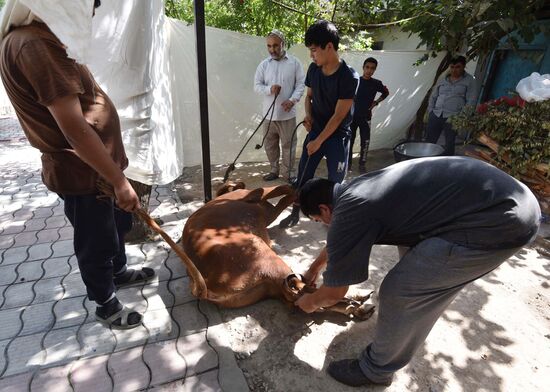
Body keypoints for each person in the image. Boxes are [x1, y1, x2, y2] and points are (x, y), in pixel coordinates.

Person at [295, 156, 540, 387]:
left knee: (399, 292)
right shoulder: (356, 190)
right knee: (413, 262)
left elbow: (334, 293)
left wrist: (309, 303)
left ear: (325, 209)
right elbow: (340, 243)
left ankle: (376, 370)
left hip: (502, 221)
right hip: (509, 198)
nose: (324, 225)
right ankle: (407, 325)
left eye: (319, 220)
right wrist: (313, 269)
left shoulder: (349, 213)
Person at [0, 0, 155, 329]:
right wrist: (118, 181)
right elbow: (74, 129)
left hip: (97, 171)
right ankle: (106, 303)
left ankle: (119, 273)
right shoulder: (35, 45)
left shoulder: (37, 38)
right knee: (96, 240)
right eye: (90, 3)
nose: (94, 10)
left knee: (115, 228)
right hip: (88, 174)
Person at [279, 20, 359, 228]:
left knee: (336, 183)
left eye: (314, 50)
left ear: (329, 47)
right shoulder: (314, 70)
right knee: (303, 177)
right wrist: (308, 115)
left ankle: (335, 223)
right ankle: (296, 213)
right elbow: (309, 97)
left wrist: (319, 141)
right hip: (316, 131)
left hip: (337, 137)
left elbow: (338, 116)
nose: (311, 55)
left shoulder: (349, 77)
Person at [254, 30, 305, 182]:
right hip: (268, 115)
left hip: (287, 114)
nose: (272, 49)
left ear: (283, 44)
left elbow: (301, 84)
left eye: (275, 45)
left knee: (289, 144)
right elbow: (256, 86)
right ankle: (274, 170)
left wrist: (293, 100)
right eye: (269, 46)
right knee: (270, 145)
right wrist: (269, 89)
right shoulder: (263, 65)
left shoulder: (294, 63)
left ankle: (288, 173)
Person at [425, 55, 477, 155]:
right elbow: (433, 96)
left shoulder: (470, 80)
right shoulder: (443, 79)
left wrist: (462, 117)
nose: (454, 70)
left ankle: (446, 165)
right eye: (452, 67)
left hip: (454, 117)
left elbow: (471, 100)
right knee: (429, 142)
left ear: (464, 66)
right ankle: (427, 161)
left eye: (458, 67)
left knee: (449, 144)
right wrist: (431, 110)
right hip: (436, 114)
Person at [348, 57, 389, 173]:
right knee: (349, 141)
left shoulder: (376, 83)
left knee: (365, 142)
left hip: (366, 117)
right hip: (352, 117)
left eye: (372, 68)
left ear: (375, 70)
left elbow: (386, 92)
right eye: (367, 67)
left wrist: (376, 102)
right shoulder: (355, 81)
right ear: (363, 67)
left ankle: (362, 164)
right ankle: (348, 164)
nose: (369, 70)